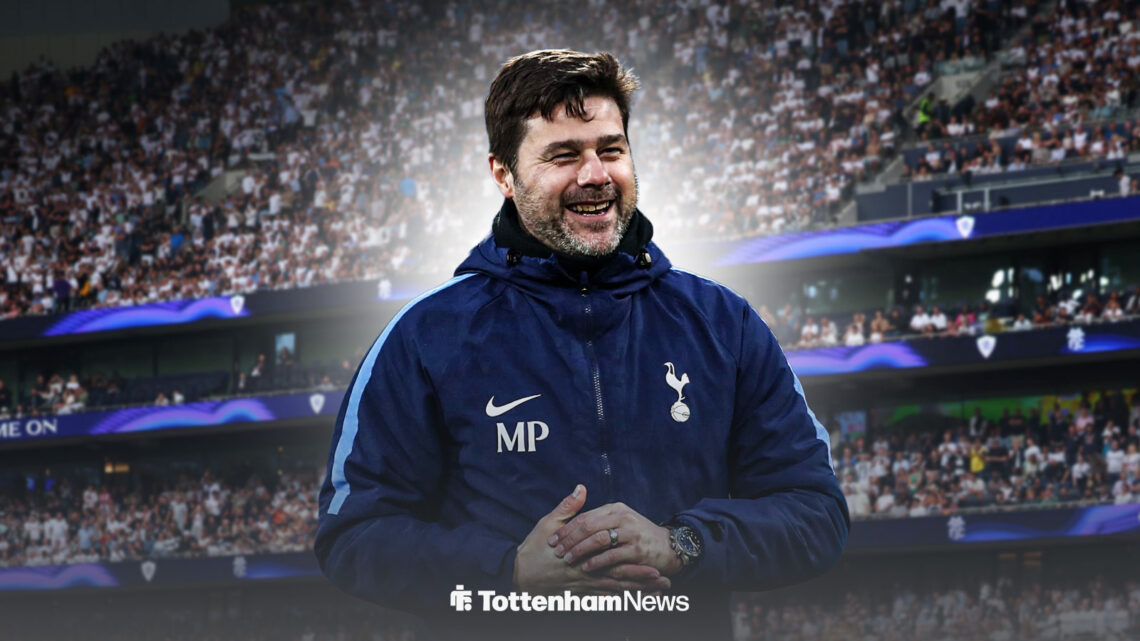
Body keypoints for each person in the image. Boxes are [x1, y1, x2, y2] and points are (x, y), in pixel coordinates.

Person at [315, 50, 848, 641]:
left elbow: (816, 511)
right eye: (564, 155)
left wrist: (682, 544)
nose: (595, 175)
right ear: (503, 174)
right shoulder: (424, 335)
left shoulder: (725, 324)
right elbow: (351, 533)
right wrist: (507, 572)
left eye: (611, 150)